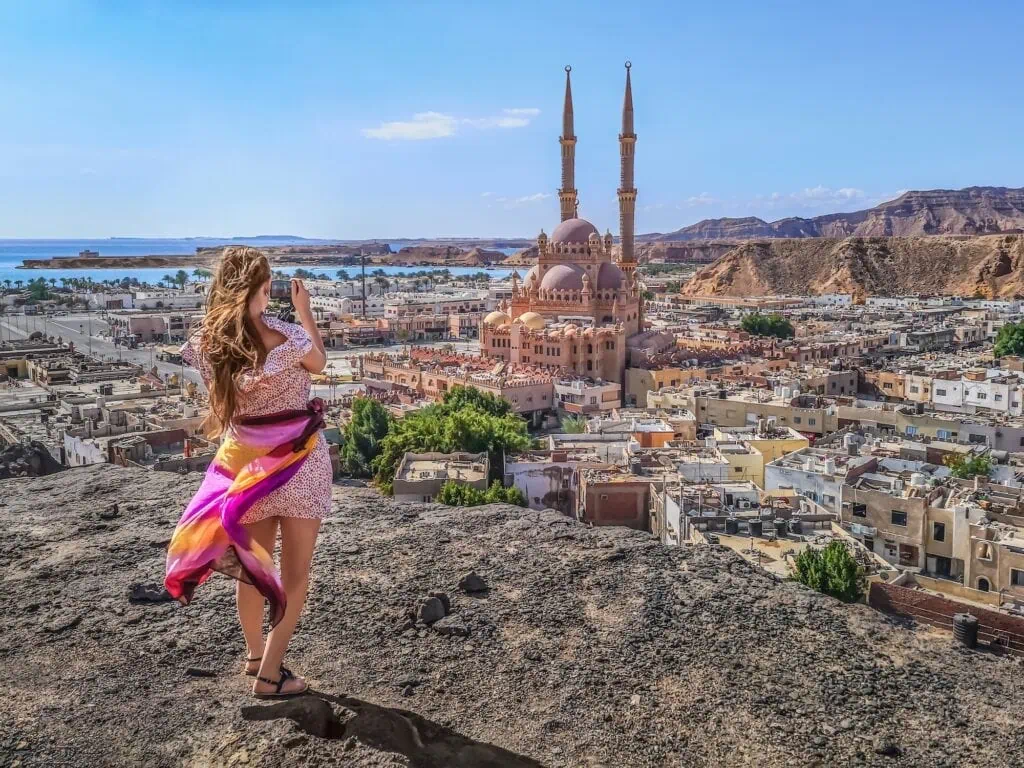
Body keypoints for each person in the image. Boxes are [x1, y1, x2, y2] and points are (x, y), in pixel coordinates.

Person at [164, 246, 330, 698]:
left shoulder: (208, 345)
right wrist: (305, 312)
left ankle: (256, 654)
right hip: (298, 466)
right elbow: (320, 360)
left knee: (256, 569)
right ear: (265, 287)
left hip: (245, 467)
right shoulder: (289, 338)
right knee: (295, 577)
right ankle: (270, 676)